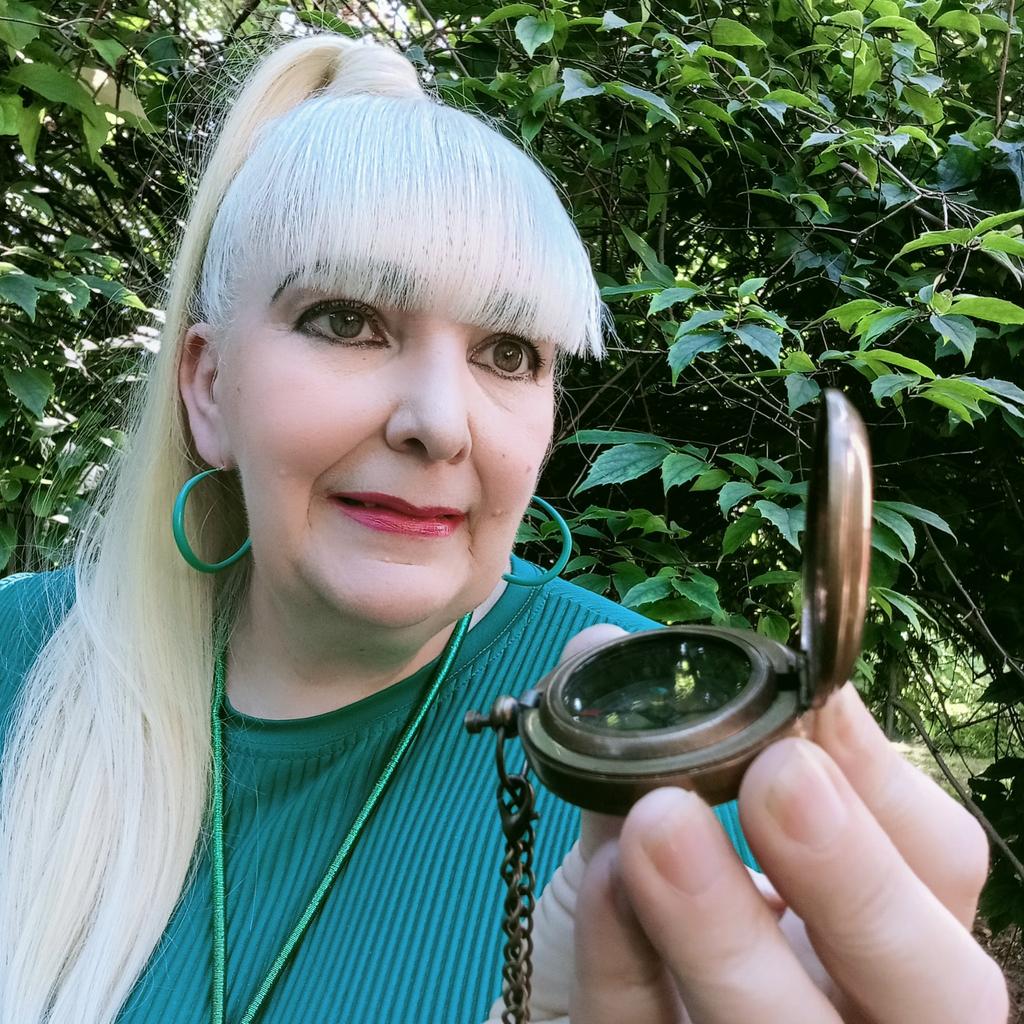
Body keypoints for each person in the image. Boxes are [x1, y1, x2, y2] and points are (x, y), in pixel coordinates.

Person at [0, 30, 1005, 1024]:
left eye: (510, 353)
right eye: (347, 320)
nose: (440, 423)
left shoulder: (687, 775)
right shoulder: (21, 656)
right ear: (208, 388)